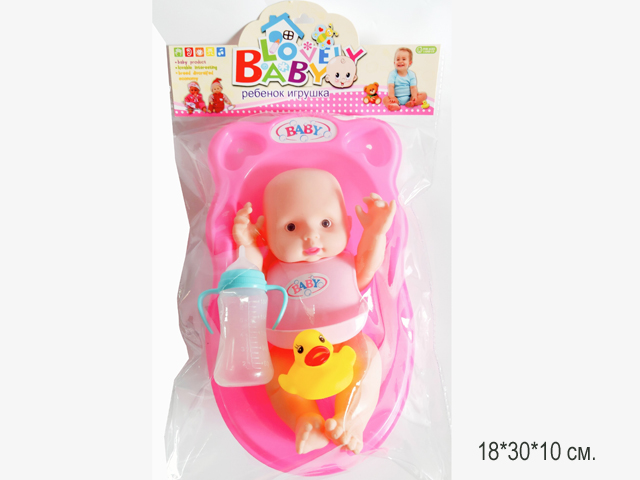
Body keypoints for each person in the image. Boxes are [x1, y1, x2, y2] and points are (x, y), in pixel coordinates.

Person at [232, 169, 396, 455]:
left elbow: (369, 265)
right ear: (267, 234)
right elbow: (250, 274)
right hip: (288, 350)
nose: (310, 237)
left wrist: (375, 232)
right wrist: (247, 244)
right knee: (275, 372)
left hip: (347, 341)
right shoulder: (271, 270)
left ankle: (351, 420)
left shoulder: (346, 265)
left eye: (325, 223)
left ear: (347, 225)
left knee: (368, 357)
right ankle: (305, 420)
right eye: (291, 227)